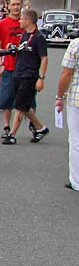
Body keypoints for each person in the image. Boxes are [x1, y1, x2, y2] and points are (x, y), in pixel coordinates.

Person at [3, 9, 49, 144]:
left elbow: (44, 58)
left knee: (19, 105)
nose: (19, 21)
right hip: (18, 72)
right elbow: (21, 51)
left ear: (29, 21)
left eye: (22, 19)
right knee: (25, 105)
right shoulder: (24, 36)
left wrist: (41, 78)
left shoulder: (39, 38)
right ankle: (41, 128)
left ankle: (12, 134)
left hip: (29, 75)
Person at [0, 0, 25, 138]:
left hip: (25, 67)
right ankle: (6, 126)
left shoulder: (26, 23)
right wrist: (0, 64)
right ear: (8, 6)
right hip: (9, 66)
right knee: (6, 100)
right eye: (13, 4)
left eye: (18, 4)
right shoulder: (2, 24)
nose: (16, 7)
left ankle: (32, 125)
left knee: (27, 99)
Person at [55, 37, 79, 190]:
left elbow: (66, 73)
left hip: (76, 98)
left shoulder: (75, 44)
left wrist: (59, 96)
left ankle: (76, 180)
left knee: (76, 140)